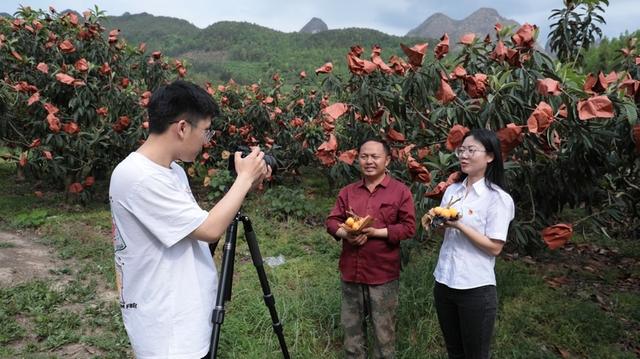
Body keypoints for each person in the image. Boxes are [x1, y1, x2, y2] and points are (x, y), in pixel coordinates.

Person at [109, 80, 270, 359]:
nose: (207, 141)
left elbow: (193, 226)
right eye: (206, 132)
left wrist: (244, 182)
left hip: (183, 311)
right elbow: (209, 229)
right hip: (167, 329)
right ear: (182, 128)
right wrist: (244, 179)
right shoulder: (138, 177)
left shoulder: (171, 171)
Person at [326, 138, 416, 359]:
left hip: (382, 274)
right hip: (351, 272)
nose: (369, 161)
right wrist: (346, 233)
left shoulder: (400, 192)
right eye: (364, 156)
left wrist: (375, 232)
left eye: (375, 156)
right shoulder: (348, 192)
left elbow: (408, 227)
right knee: (352, 331)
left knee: (383, 333)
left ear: (387, 160)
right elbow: (331, 221)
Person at [431, 128, 514, 359]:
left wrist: (459, 225)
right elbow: (444, 236)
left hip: (475, 288)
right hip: (444, 281)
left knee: (475, 354)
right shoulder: (452, 191)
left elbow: (495, 247)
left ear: (489, 156)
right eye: (462, 150)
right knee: (454, 351)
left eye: (471, 150)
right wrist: (437, 224)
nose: (464, 155)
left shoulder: (497, 198)